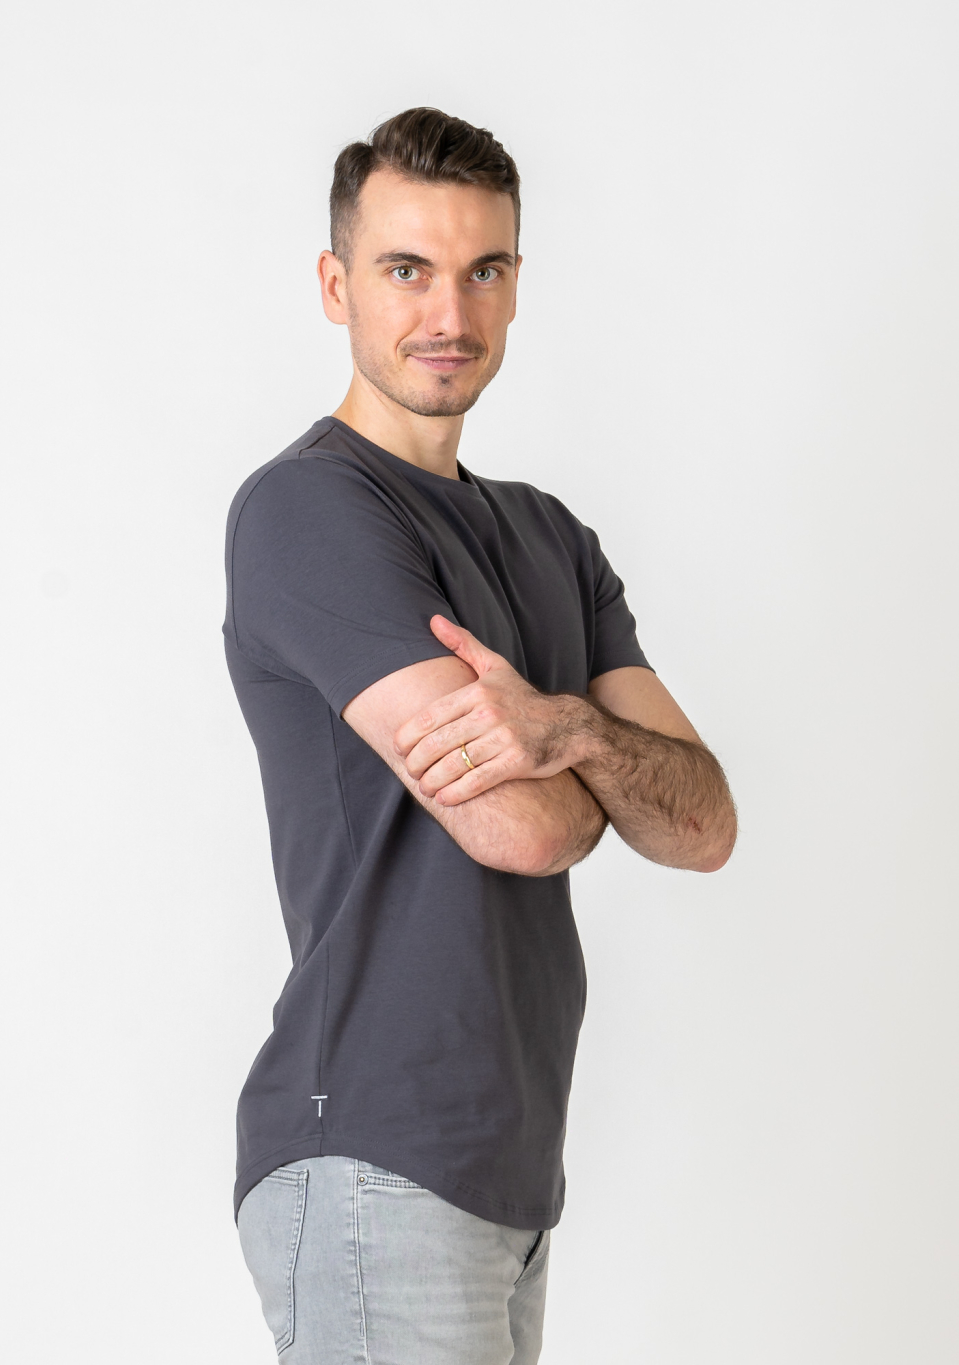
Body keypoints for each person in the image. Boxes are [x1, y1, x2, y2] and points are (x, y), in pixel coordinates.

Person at [223, 107, 737, 1364]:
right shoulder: (309, 510)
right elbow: (516, 828)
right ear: (336, 286)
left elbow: (704, 824)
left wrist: (560, 727)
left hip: (506, 1163)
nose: (448, 313)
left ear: (514, 284)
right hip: (371, 1147)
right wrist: (595, 771)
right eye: (406, 269)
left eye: (482, 270)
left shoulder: (550, 537)